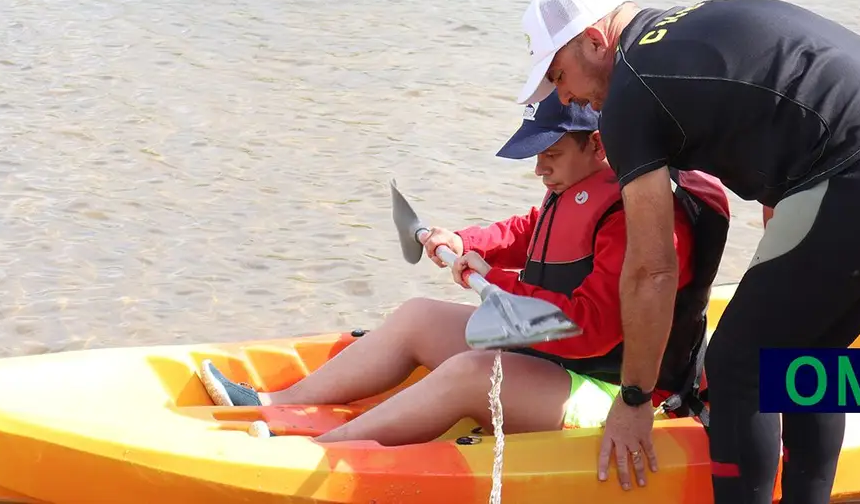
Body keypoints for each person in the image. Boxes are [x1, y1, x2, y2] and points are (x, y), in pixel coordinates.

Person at [513, 0, 860, 503]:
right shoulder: (687, 25)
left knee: (737, 364)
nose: (564, 94)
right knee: (811, 357)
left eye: (558, 72)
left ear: (594, 39)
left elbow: (653, 267)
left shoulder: (630, 95)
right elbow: (786, 86)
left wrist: (634, 399)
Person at [196, 90, 730, 447]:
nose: (539, 166)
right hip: (552, 359)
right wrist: (465, 241)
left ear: (596, 144)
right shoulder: (577, 185)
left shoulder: (640, 214)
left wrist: (495, 284)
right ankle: (273, 403)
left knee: (473, 374)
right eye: (535, 154)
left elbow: (588, 329)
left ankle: (320, 450)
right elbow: (528, 233)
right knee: (417, 316)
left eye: (552, 153)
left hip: (617, 394)